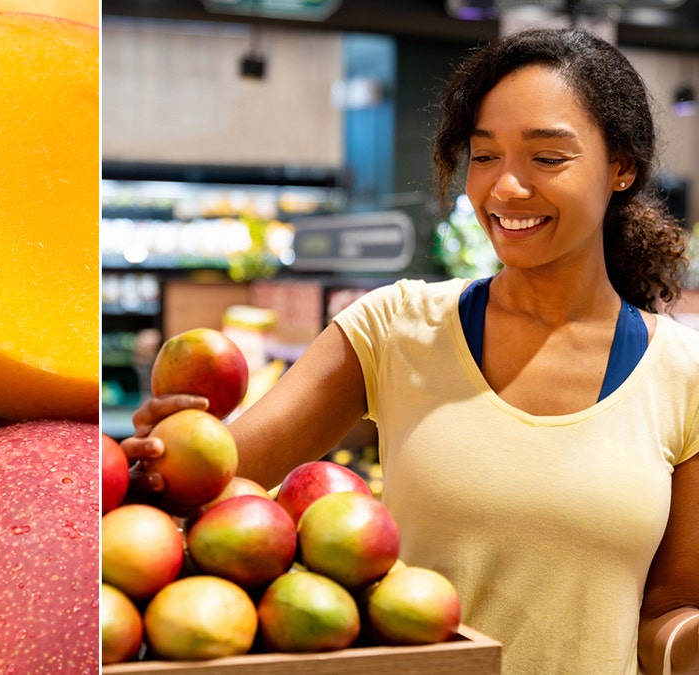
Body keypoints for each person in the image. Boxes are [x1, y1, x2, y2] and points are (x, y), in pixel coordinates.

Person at [120, 26, 699, 675]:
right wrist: (156, 468)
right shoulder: (392, 328)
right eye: (484, 156)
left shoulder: (683, 374)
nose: (505, 188)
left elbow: (666, 614)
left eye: (547, 158)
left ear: (621, 166)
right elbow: (222, 480)